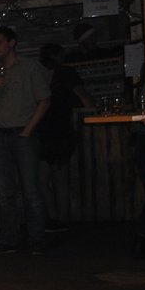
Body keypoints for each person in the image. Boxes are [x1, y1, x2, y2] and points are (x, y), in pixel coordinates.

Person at [0, 26, 52, 254]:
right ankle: (9, 240)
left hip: (23, 134)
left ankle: (36, 239)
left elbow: (44, 100)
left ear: (12, 42)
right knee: (5, 193)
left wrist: (28, 130)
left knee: (30, 190)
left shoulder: (30, 67)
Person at [36, 43, 92, 228]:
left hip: (46, 130)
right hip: (56, 130)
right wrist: (92, 110)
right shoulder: (65, 74)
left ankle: (56, 220)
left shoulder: (42, 75)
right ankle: (59, 220)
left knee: (46, 180)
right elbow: (84, 98)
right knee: (56, 180)